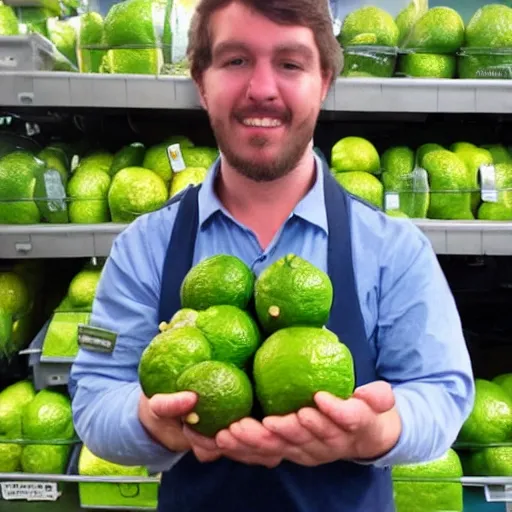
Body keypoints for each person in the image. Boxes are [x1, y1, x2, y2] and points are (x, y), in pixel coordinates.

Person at [69, 1, 475, 510]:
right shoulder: (142, 247)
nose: (262, 88)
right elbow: (94, 392)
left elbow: (443, 389)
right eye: (236, 60)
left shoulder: (393, 248)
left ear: (323, 81)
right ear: (201, 81)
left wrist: (381, 429)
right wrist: (149, 423)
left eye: (290, 63)